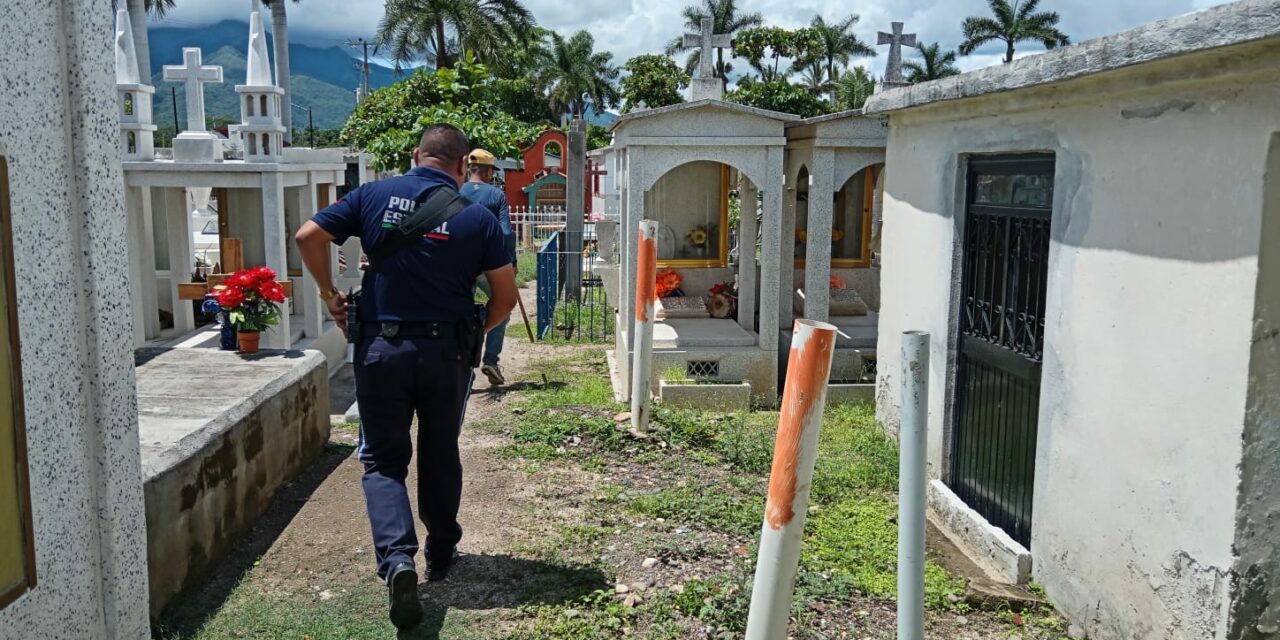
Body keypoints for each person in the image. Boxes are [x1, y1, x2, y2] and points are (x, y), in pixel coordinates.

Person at [294, 124, 517, 631]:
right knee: (440, 448)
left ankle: (397, 560)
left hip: (381, 351)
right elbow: (504, 299)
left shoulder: (370, 195)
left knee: (382, 460)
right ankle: (440, 554)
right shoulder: (478, 217)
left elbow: (309, 235)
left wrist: (330, 292)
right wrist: (471, 335)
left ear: (415, 156)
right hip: (446, 355)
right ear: (463, 167)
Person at [458, 149, 517, 386]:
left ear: (469, 170)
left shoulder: (455, 193)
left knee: (460, 312)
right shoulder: (496, 195)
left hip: (459, 265)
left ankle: (463, 366)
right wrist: (511, 262)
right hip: (488, 265)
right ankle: (490, 359)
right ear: (489, 171)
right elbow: (505, 233)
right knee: (502, 306)